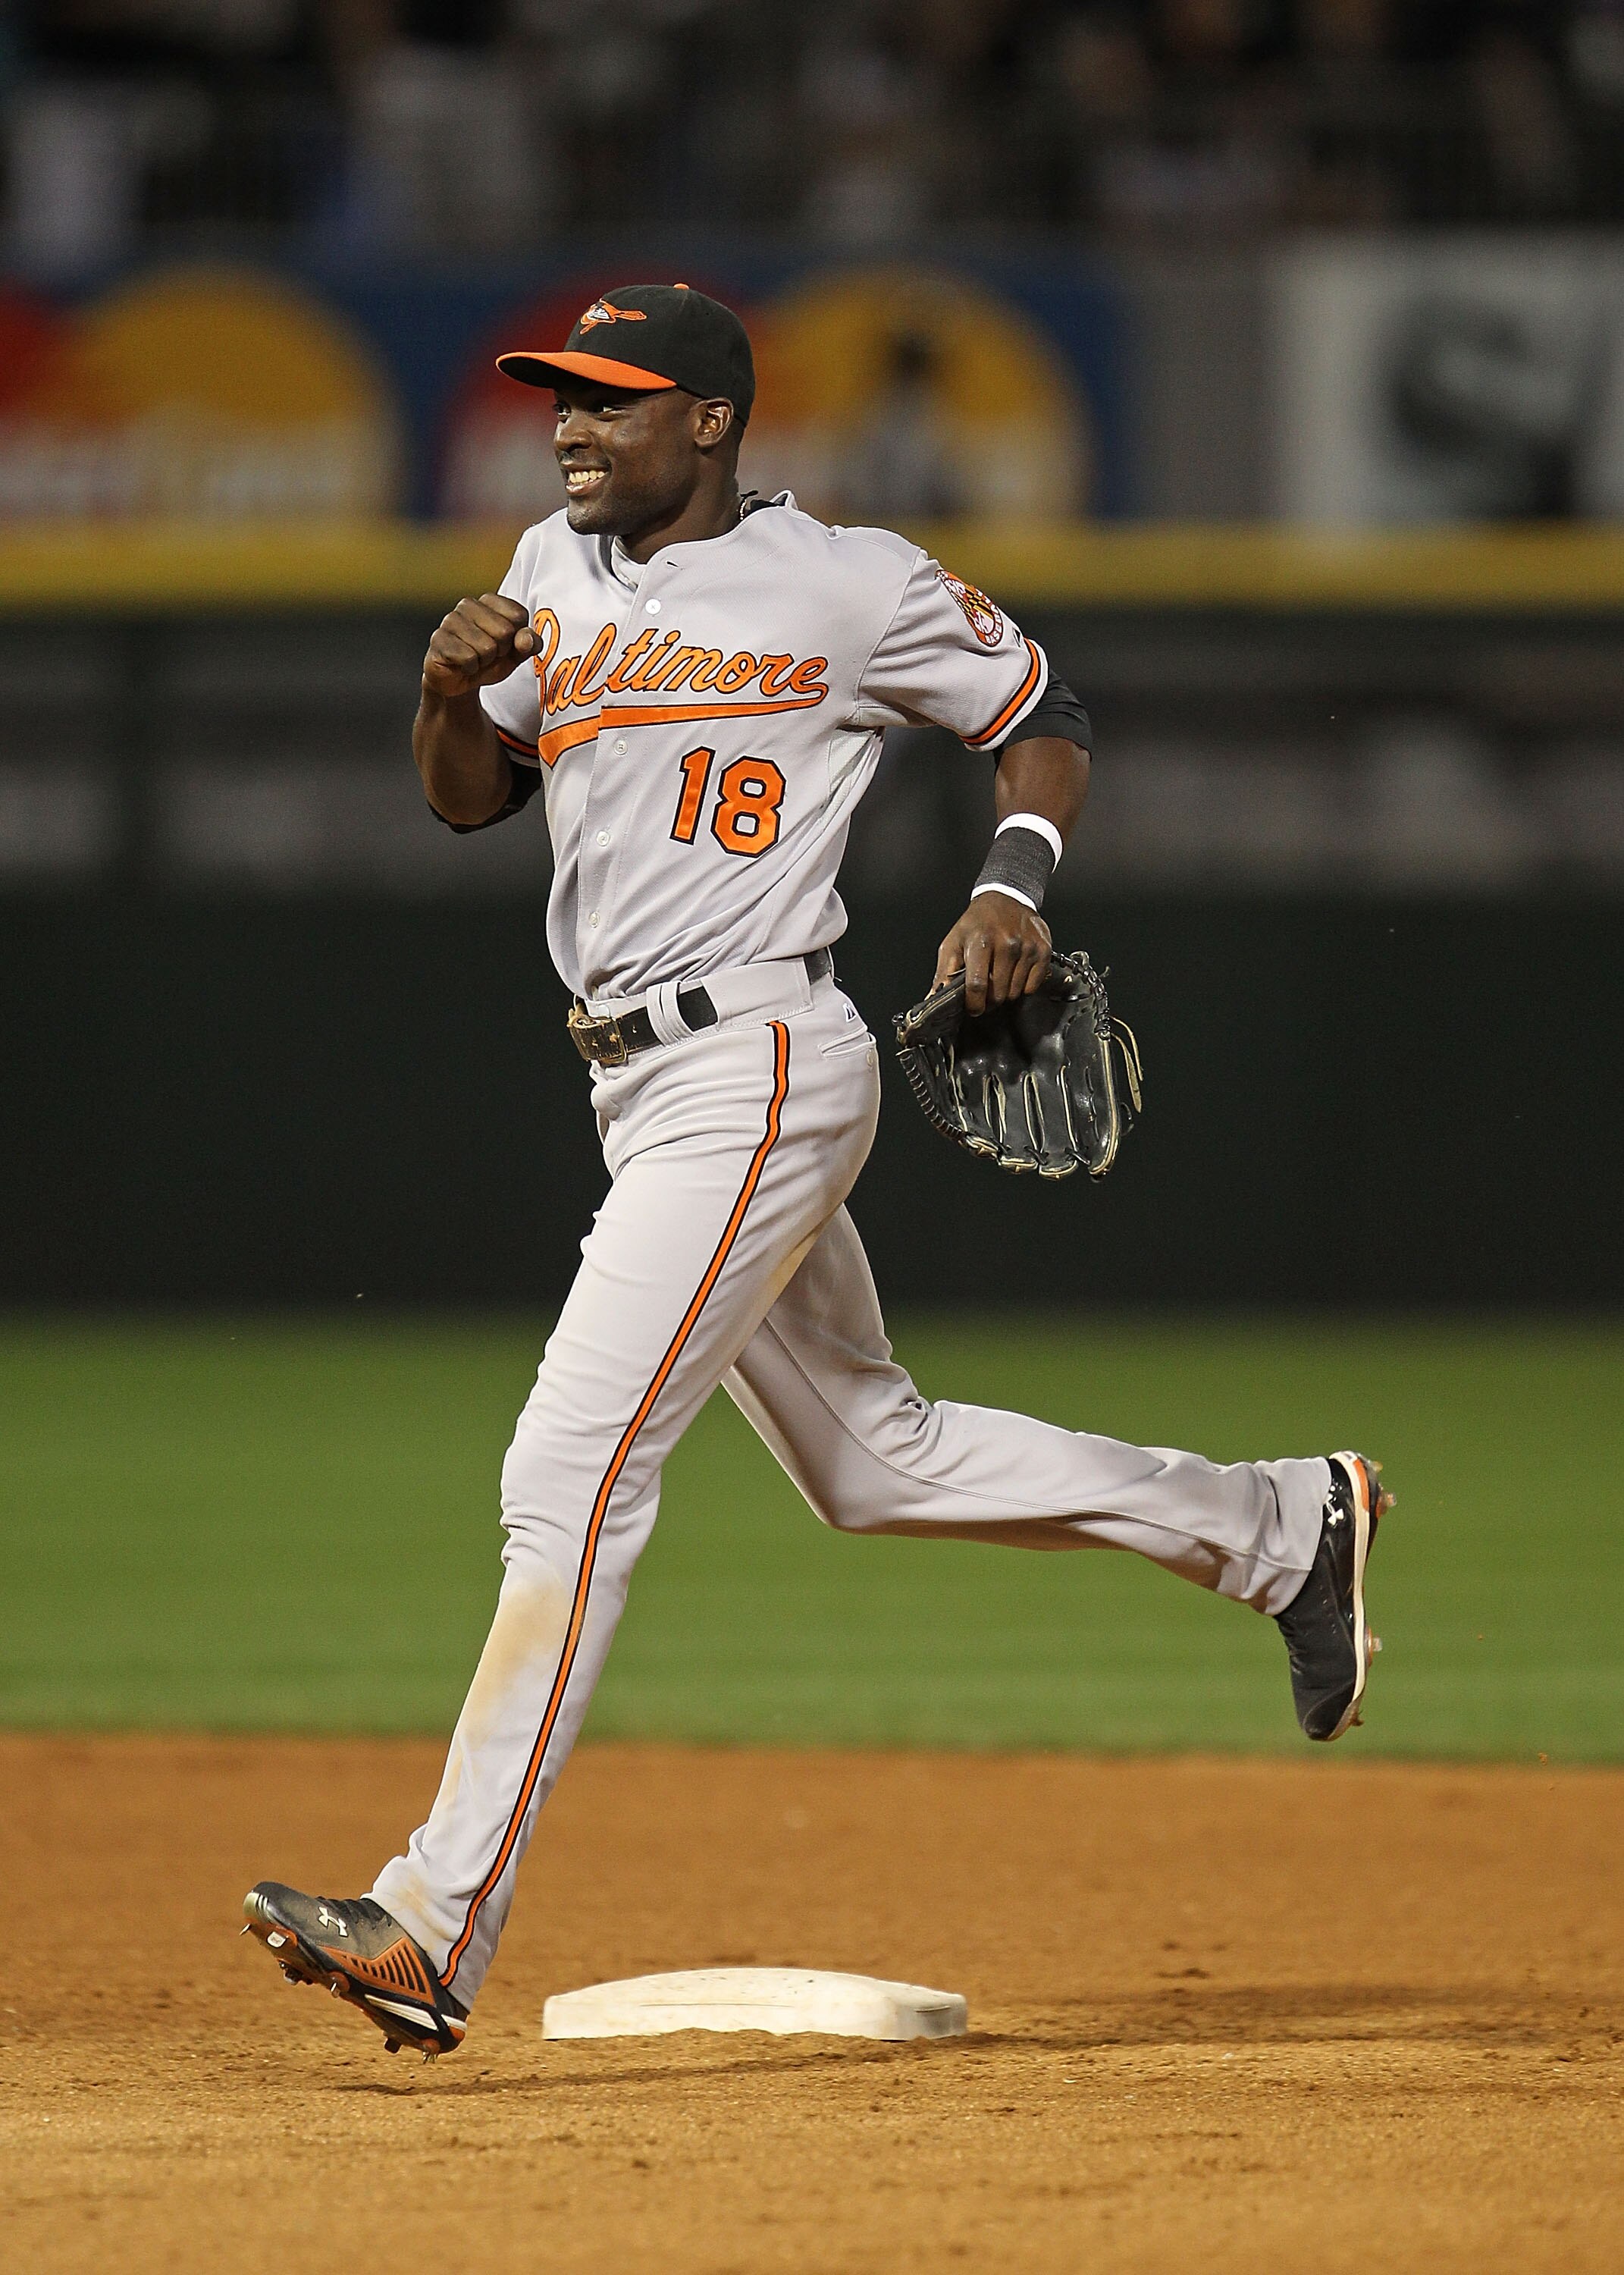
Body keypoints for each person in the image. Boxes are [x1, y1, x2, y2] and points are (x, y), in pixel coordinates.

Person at [243, 283, 1390, 2060]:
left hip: (760, 1058)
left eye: (610, 400)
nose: (569, 426)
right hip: (637, 1080)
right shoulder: (549, 569)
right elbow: (470, 797)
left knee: (569, 1467)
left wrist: (1010, 881)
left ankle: (433, 1919)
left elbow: (1044, 708)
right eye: (560, 397)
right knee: (870, 1458)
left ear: (710, 420)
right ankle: (1278, 1526)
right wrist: (443, 693)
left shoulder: (845, 582)